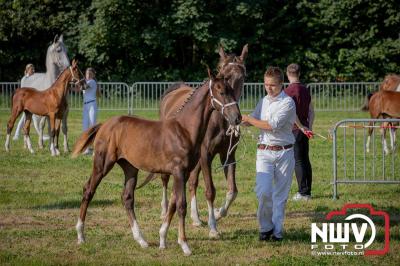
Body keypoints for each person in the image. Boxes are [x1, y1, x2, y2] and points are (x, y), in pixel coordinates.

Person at [241, 66, 296, 242]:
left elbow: (272, 125)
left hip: (285, 153)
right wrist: (239, 119)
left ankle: (277, 232)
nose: (268, 88)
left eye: (272, 85)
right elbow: (254, 119)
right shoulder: (263, 100)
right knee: (263, 192)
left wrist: (250, 119)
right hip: (264, 152)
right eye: (266, 84)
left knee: (280, 196)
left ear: (281, 84)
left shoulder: (288, 102)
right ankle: (266, 227)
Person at [284, 63, 314, 201]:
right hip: (305, 129)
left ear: (287, 74)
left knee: (298, 161)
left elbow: (292, 112)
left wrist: (301, 126)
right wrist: (309, 126)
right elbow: (311, 111)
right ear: (299, 73)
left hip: (295, 129)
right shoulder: (305, 89)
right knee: (305, 159)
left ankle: (303, 193)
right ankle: (308, 191)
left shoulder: (287, 91)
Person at [13, 64, 36, 140]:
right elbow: (23, 89)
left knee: (25, 119)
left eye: (33, 69)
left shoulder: (33, 78)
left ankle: (16, 135)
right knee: (25, 119)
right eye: (31, 69)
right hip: (25, 101)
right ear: (27, 70)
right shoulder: (24, 79)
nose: (33, 71)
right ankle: (16, 135)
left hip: (32, 100)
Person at [82, 67, 100, 154]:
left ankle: (96, 147)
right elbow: (79, 89)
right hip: (85, 106)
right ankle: (87, 148)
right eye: (86, 74)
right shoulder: (86, 81)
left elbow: (84, 87)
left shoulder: (92, 82)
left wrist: (79, 82)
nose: (88, 75)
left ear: (93, 75)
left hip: (92, 105)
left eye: (90, 74)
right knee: (85, 127)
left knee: (92, 126)